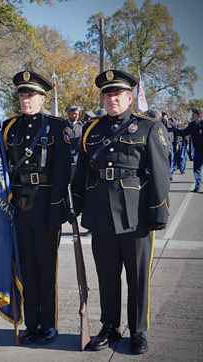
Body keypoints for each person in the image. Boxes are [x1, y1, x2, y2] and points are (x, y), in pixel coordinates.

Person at [71, 70, 170, 354]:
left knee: (137, 277)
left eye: (117, 94)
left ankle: (137, 330)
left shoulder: (149, 127)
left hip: (136, 215)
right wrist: (76, 204)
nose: (112, 98)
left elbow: (161, 175)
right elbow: (83, 173)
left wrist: (159, 212)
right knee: (107, 275)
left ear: (129, 97)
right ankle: (110, 326)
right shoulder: (92, 129)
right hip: (101, 214)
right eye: (107, 94)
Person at [3, 71, 72, 345]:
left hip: (46, 204)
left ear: (43, 98)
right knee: (27, 268)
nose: (25, 99)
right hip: (20, 205)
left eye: (31, 94)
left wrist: (57, 206)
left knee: (46, 268)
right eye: (22, 94)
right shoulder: (10, 128)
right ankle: (31, 323)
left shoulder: (57, 127)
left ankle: (49, 324)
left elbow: (63, 170)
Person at [173, 108, 203, 192]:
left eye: (194, 114)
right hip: (197, 150)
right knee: (196, 169)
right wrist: (174, 130)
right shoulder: (191, 125)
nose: (192, 115)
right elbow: (184, 132)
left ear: (199, 115)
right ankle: (197, 186)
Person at [65, 105, 83, 180]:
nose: (76, 116)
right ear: (69, 114)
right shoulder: (63, 125)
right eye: (74, 114)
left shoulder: (81, 126)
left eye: (77, 114)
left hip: (77, 154)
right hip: (65, 154)